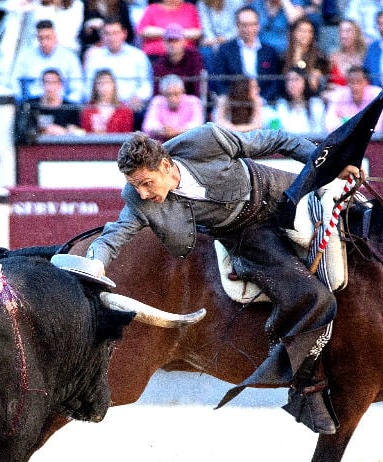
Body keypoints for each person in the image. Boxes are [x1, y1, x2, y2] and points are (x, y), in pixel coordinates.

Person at [84, 125, 362, 433]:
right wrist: (95, 263)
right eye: (136, 187)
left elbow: (278, 139)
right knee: (314, 297)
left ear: (165, 165)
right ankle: (305, 387)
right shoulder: (138, 199)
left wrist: (327, 165)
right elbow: (115, 235)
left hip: (281, 193)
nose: (143, 193)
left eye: (147, 183)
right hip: (248, 236)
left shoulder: (206, 141)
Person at [211, 6, 284, 104]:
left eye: (252, 24)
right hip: (233, 104)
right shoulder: (225, 50)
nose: (248, 29)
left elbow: (275, 82)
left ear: (258, 26)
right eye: (244, 25)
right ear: (237, 26)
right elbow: (220, 81)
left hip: (264, 104)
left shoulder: (269, 51)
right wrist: (233, 101)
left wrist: (262, 101)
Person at [84, 19, 154, 113]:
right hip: (102, 107)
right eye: (107, 33)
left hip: (131, 107)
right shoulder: (94, 58)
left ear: (124, 34)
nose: (112, 38)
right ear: (102, 36)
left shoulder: (138, 56)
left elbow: (146, 85)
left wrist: (138, 97)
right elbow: (88, 86)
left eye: (115, 33)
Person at [12, 19, 86, 104]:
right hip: (33, 105)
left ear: (55, 37)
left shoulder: (69, 57)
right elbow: (15, 82)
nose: (44, 42)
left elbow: (77, 86)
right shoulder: (26, 56)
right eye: (41, 38)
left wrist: (67, 105)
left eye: (48, 37)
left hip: (61, 106)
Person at [16, 69, 84, 143]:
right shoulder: (30, 105)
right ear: (41, 84)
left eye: (54, 82)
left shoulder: (70, 108)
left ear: (61, 85)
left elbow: (79, 132)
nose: (49, 87)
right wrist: (41, 129)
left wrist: (63, 131)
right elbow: (21, 130)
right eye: (46, 82)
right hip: (36, 147)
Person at [141, 74, 205, 140]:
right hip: (162, 145)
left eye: (176, 94)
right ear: (162, 93)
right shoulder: (157, 101)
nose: (172, 98)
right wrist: (161, 129)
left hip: (187, 145)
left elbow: (198, 125)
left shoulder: (193, 101)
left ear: (183, 91)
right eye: (168, 94)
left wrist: (177, 131)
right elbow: (148, 125)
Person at [152, 23, 207, 97]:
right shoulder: (159, 64)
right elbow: (157, 94)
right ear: (164, 43)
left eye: (176, 40)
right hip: (167, 105)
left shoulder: (194, 57)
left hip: (192, 102)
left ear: (184, 41)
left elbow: (199, 88)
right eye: (169, 41)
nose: (173, 44)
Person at [324, 66, 383, 132]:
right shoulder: (339, 94)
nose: (355, 87)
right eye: (351, 82)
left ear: (367, 82)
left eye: (359, 82)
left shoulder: (376, 94)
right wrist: (363, 122)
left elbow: (377, 127)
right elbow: (329, 125)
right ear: (347, 83)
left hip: (370, 141)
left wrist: (345, 121)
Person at [135, 0, 202, 59]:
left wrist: (172, 33)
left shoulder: (190, 8)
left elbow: (197, 32)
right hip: (156, 55)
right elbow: (142, 31)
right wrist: (171, 33)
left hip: (185, 56)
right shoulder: (152, 9)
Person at [270, 66, 327, 135]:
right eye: (289, 80)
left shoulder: (315, 103)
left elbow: (320, 131)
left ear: (305, 82)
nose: (292, 84)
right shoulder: (281, 104)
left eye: (296, 79)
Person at [17, 0, 85, 54]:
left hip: (67, 49)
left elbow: (71, 34)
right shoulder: (36, 6)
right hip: (39, 50)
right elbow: (33, 35)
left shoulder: (77, 5)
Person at [283, 17, 331, 94]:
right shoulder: (283, 57)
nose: (306, 35)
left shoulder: (320, 57)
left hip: (311, 96)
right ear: (294, 33)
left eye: (309, 32)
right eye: (302, 31)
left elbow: (316, 84)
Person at [197, 0, 242, 71]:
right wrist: (216, 45)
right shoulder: (202, 3)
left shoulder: (235, 2)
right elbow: (206, 28)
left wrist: (224, 39)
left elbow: (238, 28)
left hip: (232, 39)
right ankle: (213, 81)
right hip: (212, 42)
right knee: (206, 53)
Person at [327, 18, 369, 88]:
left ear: (356, 34)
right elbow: (327, 83)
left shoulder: (365, 56)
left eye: (348, 31)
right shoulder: (333, 58)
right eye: (341, 31)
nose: (344, 35)